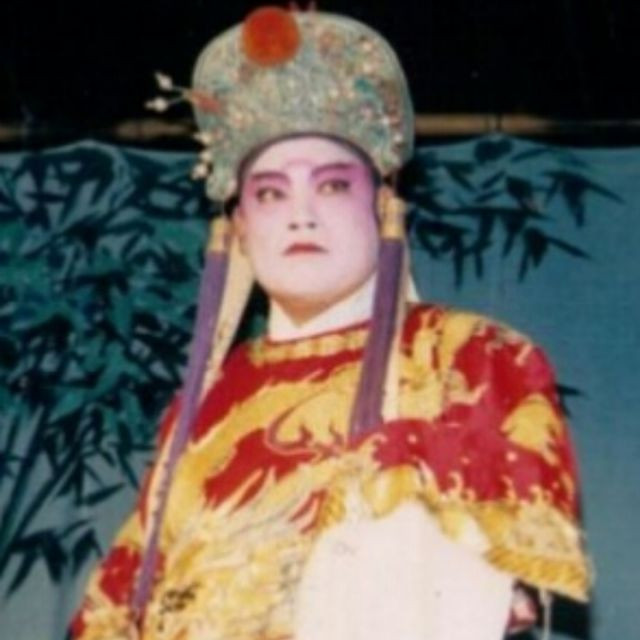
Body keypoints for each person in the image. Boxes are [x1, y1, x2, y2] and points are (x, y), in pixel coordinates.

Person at [71, 6, 591, 640]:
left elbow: (492, 585)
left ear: (382, 205)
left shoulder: (473, 357)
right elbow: (116, 607)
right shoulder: (201, 406)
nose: (301, 216)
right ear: (239, 227)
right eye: (270, 193)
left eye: (332, 187)